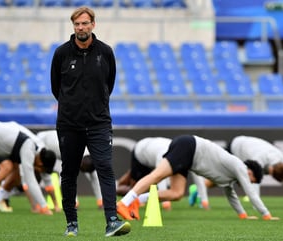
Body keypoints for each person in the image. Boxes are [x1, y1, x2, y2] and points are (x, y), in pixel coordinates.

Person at [50, 6, 130, 237]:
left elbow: (109, 84)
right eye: (77, 24)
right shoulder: (61, 53)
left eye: (85, 23)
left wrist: (95, 106)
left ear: (93, 24)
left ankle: (112, 221)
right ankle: (71, 223)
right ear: (73, 26)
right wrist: (72, 107)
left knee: (105, 168)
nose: (81, 28)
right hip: (69, 124)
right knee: (69, 172)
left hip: (99, 123)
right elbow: (56, 88)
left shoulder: (105, 52)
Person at [117, 134, 280, 222]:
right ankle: (124, 203)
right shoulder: (239, 167)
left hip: (189, 158)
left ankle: (137, 200)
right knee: (157, 175)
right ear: (250, 172)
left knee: (176, 193)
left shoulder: (229, 178)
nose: (248, 183)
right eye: (252, 180)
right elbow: (251, 193)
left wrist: (243, 215)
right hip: (189, 146)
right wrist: (266, 215)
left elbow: (232, 196)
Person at [0, 120, 56, 215]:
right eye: (41, 169)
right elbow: (30, 180)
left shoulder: (31, 146)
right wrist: (44, 207)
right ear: (40, 162)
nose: (38, 171)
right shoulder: (29, 148)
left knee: (15, 174)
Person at [115, 137, 209, 212]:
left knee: (142, 188)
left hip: (151, 151)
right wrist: (166, 203)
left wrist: (204, 201)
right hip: (140, 153)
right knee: (134, 188)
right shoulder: (165, 154)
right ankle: (115, 191)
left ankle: (132, 195)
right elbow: (158, 177)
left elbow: (197, 175)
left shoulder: (186, 155)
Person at [229, 135, 283, 211]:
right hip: (236, 146)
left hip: (247, 151)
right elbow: (255, 182)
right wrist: (257, 207)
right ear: (271, 169)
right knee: (223, 175)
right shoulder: (260, 158)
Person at [36, 129, 103, 209]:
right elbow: (65, 179)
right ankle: (39, 203)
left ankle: (101, 201)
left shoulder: (89, 153)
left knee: (94, 175)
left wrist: (101, 202)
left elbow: (95, 177)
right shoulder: (71, 152)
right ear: (80, 162)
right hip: (41, 142)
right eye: (82, 169)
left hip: (57, 145)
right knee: (46, 173)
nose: (81, 171)